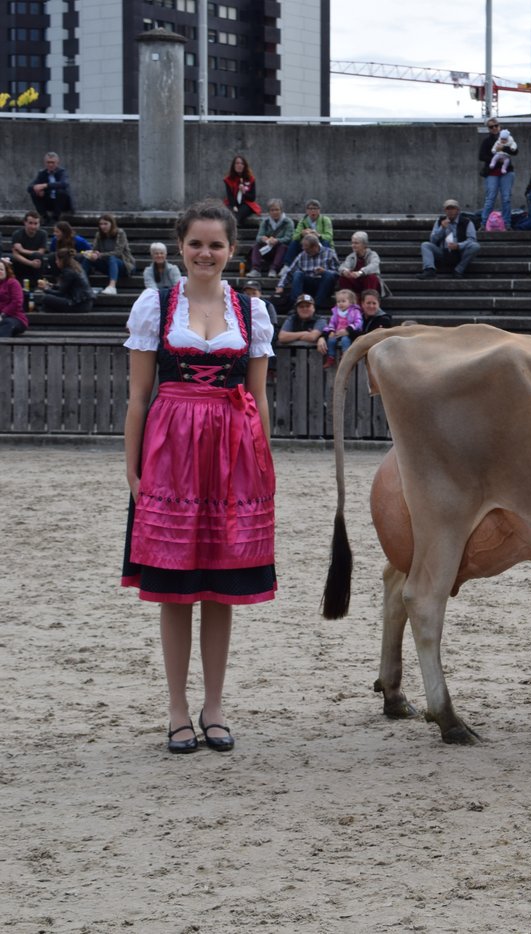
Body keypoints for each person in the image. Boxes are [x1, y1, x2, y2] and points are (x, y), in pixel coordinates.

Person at [122, 200, 276, 755]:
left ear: (232, 252)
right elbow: (140, 398)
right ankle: (177, 710)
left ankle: (214, 707)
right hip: (171, 453)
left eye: (215, 245)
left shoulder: (251, 311)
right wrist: (133, 470)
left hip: (234, 454)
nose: (205, 253)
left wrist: (263, 461)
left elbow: (257, 397)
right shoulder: (155, 304)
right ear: (181, 248)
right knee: (175, 589)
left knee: (220, 589)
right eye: (195, 244)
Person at [418, 199, 480, 280]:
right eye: (448, 209)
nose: (450, 211)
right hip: (443, 252)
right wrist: (442, 228)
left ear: (458, 210)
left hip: (460, 253)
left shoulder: (467, 222)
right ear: (445, 211)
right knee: (425, 245)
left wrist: (458, 246)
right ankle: (429, 270)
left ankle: (458, 270)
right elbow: (432, 240)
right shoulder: (440, 221)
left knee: (475, 246)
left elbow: (472, 240)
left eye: (453, 208)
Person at [276, 232, 340, 310]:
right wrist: (280, 285)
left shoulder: (330, 253)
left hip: (324, 285)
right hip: (308, 283)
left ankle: (317, 305)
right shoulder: (302, 255)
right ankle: (296, 304)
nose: (305, 251)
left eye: (307, 249)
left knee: (328, 275)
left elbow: (337, 274)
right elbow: (290, 271)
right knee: (297, 274)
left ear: (315, 247)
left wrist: (324, 271)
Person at [82, 213, 136, 296]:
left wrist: (100, 255)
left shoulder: (120, 233)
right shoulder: (99, 235)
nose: (103, 226)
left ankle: (112, 286)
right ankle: (81, 285)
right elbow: (95, 250)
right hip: (107, 265)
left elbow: (118, 252)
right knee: (87, 259)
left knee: (112, 258)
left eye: (105, 224)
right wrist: (91, 254)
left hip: (124, 265)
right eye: (101, 224)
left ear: (112, 224)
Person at [479, 117, 518, 228]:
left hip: (507, 172)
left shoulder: (508, 138)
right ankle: (484, 223)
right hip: (491, 173)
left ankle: (506, 223)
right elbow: (481, 156)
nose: (494, 128)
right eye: (491, 126)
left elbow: (515, 151)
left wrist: (503, 150)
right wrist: (496, 158)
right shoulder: (486, 141)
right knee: (490, 198)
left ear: (499, 126)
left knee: (506, 198)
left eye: (496, 125)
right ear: (488, 128)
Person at [31, 247, 93, 313]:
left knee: (46, 298)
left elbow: (61, 293)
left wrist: (45, 289)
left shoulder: (68, 272)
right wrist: (50, 285)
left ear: (62, 260)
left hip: (79, 305)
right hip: (84, 303)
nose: (56, 262)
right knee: (48, 305)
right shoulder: (76, 266)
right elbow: (64, 287)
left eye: (57, 260)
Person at [280, 199, 334, 271]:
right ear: (307, 211)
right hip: (307, 244)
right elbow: (294, 237)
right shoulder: (303, 221)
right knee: (294, 243)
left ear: (319, 210)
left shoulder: (325, 220)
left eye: (315, 209)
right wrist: (302, 234)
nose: (313, 211)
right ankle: (286, 266)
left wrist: (318, 235)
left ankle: (324, 266)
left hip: (320, 243)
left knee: (325, 242)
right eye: (310, 209)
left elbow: (329, 236)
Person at [248, 199, 294, 276]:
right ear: (269, 212)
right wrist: (263, 239)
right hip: (268, 249)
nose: (274, 212)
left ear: (281, 210)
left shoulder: (288, 222)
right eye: (272, 210)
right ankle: (256, 269)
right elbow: (258, 237)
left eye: (277, 210)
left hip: (281, 251)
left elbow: (288, 238)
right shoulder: (265, 222)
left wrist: (277, 240)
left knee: (282, 246)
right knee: (256, 246)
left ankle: (273, 269)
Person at [27, 152, 74, 222]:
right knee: (34, 193)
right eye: (48, 162)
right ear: (45, 163)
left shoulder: (62, 172)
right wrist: (37, 189)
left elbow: (64, 184)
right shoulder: (42, 173)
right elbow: (29, 187)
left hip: (62, 204)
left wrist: (45, 186)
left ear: (57, 162)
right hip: (49, 202)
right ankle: (44, 217)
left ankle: (55, 218)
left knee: (61, 192)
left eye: (53, 162)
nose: (50, 165)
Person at [337, 230, 384, 297]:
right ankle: (350, 301)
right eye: (352, 243)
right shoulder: (351, 256)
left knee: (372, 278)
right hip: (357, 283)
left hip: (370, 284)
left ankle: (368, 299)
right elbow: (343, 266)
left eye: (356, 243)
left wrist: (360, 272)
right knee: (343, 278)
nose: (353, 245)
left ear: (364, 244)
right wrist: (345, 271)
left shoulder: (373, 254)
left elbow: (374, 266)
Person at [323, 289, 363, 368]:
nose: (340, 304)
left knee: (345, 340)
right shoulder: (335, 312)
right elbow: (332, 323)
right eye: (338, 301)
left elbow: (358, 322)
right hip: (338, 333)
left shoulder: (355, 311)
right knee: (331, 340)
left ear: (350, 302)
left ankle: (345, 356)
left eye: (343, 301)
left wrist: (349, 329)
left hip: (348, 333)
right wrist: (331, 330)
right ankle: (331, 357)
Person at [221, 154, 260, 224]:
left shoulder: (251, 179)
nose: (239, 165)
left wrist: (244, 192)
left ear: (244, 166)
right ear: (234, 165)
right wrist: (234, 206)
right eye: (237, 163)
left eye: (242, 163)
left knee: (238, 215)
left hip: (246, 204)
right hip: (232, 203)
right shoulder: (228, 179)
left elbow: (252, 198)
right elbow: (230, 196)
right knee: (227, 214)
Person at [10, 211, 47, 280]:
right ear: (25, 222)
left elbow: (40, 252)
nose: (33, 226)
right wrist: (30, 263)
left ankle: (37, 283)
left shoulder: (43, 234)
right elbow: (15, 254)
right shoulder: (17, 234)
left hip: (35, 261)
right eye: (30, 223)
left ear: (39, 224)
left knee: (37, 256)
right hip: (22, 262)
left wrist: (22, 250)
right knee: (14, 259)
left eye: (36, 223)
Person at [0, 259, 26, 338]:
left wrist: (3, 314)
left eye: (1, 269)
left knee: (7, 323)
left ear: (6, 271)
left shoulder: (13, 283)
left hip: (14, 318)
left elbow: (17, 302)